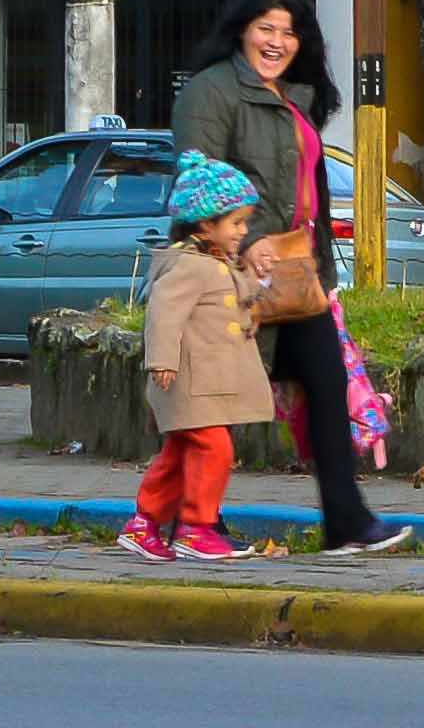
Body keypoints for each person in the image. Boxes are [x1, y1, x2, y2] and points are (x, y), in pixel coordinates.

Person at [172, 0, 409, 555]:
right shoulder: (210, 93)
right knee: (215, 404)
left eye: (289, 31)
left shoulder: (293, 99)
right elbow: (194, 180)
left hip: (298, 277)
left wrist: (326, 278)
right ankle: (191, 520)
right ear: (242, 31)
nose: (277, 42)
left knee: (329, 385)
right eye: (266, 28)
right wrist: (245, 241)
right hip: (229, 275)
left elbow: (309, 196)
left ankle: (346, 522)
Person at [122, 154, 273, 560]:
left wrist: (254, 297)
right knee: (215, 449)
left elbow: (238, 293)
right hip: (187, 382)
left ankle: (144, 523)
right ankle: (196, 527)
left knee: (178, 455)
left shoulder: (216, 261)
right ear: (207, 223)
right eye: (237, 223)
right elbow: (164, 315)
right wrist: (162, 361)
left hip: (206, 385)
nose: (244, 230)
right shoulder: (187, 265)